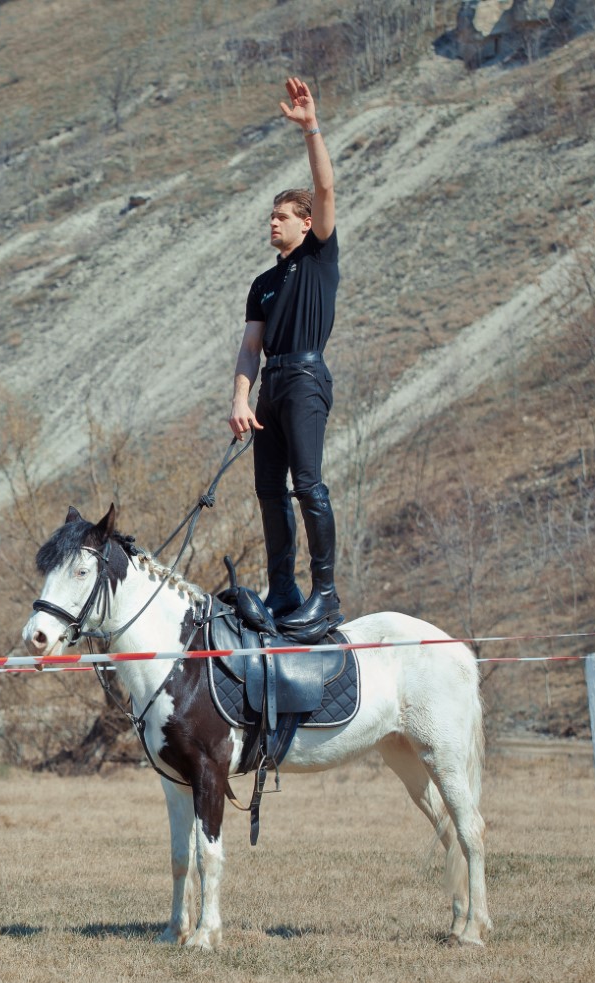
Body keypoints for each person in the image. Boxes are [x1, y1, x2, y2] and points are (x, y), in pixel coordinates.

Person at [227, 77, 342, 643]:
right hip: (270, 384)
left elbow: (325, 187)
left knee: (308, 486)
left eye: (282, 215)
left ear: (304, 223)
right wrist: (240, 399)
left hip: (305, 376)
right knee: (269, 491)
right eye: (270, 216)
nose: (273, 222)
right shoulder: (262, 283)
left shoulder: (318, 255)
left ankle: (326, 595)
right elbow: (251, 347)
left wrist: (310, 128)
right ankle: (283, 591)